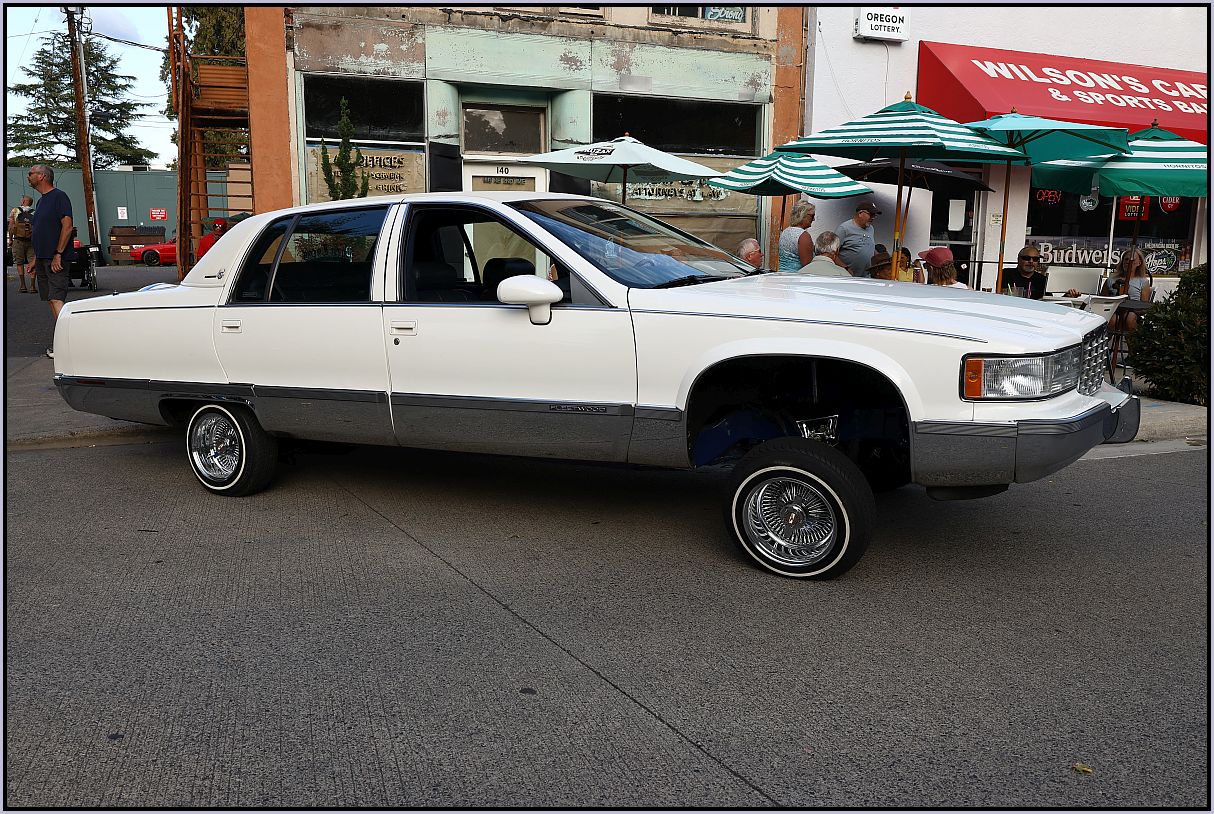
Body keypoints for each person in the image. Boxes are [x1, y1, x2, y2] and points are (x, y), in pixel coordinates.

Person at [29, 164, 74, 359]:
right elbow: (42, 232)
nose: (28, 176)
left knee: (57, 298)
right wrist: (35, 258)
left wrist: (58, 253)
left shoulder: (59, 197)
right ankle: (64, 344)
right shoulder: (41, 201)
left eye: (31, 173)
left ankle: (71, 345)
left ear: (42, 176)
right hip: (43, 258)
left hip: (56, 258)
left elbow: (67, 227)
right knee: (50, 299)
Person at [1107, 247, 1153, 335]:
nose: (1128, 262)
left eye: (1132, 260)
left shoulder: (1143, 281)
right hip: (1113, 310)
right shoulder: (1111, 279)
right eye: (1126, 259)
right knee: (1112, 320)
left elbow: (1143, 306)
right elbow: (1102, 299)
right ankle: (1107, 342)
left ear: (1139, 263)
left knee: (1129, 319)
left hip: (1133, 312)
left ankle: (1131, 342)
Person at [837, 201, 880, 277]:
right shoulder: (844, 229)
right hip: (847, 276)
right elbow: (832, 253)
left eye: (875, 215)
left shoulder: (871, 228)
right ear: (860, 213)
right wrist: (846, 268)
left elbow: (869, 246)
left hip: (866, 276)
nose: (873, 217)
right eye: (871, 214)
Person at [8, 195, 36, 293]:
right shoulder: (35, 212)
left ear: (23, 201)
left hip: (18, 240)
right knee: (32, 262)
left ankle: (23, 285)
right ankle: (32, 286)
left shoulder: (15, 211)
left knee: (19, 262)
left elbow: (11, 227)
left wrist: (10, 239)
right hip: (31, 240)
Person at [778, 201, 815, 272]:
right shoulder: (803, 236)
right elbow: (807, 265)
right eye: (812, 216)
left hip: (781, 274)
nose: (813, 219)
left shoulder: (785, 232)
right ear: (802, 215)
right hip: (796, 276)